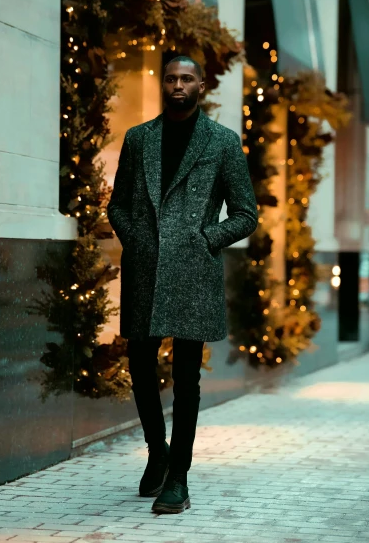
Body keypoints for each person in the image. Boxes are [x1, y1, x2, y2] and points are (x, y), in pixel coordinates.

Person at [107, 56, 257, 514]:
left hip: (194, 272)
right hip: (145, 270)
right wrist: (137, 242)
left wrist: (205, 239)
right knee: (139, 363)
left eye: (186, 79)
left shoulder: (222, 142)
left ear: (201, 86)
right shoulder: (139, 139)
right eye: (171, 78)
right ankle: (157, 450)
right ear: (163, 84)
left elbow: (246, 213)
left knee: (187, 376)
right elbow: (118, 206)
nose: (177, 85)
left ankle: (179, 478)